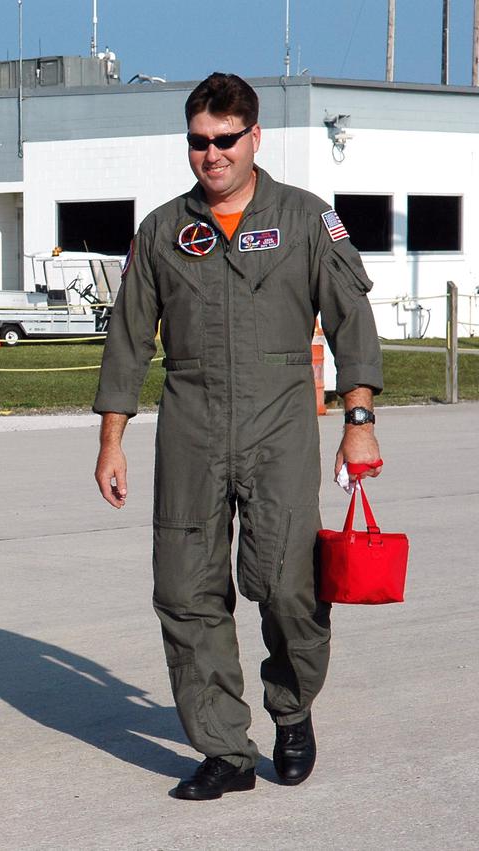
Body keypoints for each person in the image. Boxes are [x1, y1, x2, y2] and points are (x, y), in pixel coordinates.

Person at [92, 73, 384, 800]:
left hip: (279, 419)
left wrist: (359, 421)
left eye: (226, 140)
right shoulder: (163, 229)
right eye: (199, 141)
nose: (211, 155)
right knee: (186, 589)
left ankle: (291, 707)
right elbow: (128, 340)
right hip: (189, 422)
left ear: (255, 137)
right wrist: (111, 438)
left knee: (286, 584)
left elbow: (351, 321)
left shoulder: (306, 218)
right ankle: (222, 747)